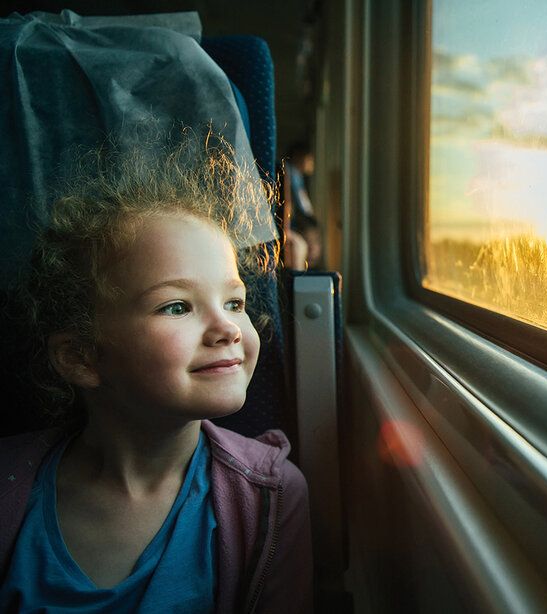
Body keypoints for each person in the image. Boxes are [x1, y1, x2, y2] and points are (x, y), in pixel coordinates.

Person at [0, 135, 313, 613]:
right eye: (176, 306)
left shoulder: (272, 496)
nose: (228, 328)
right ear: (81, 357)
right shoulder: (9, 485)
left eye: (234, 302)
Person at [282, 141, 322, 270]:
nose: (312, 164)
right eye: (310, 159)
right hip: (294, 222)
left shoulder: (296, 176)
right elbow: (300, 206)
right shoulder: (290, 174)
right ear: (300, 156)